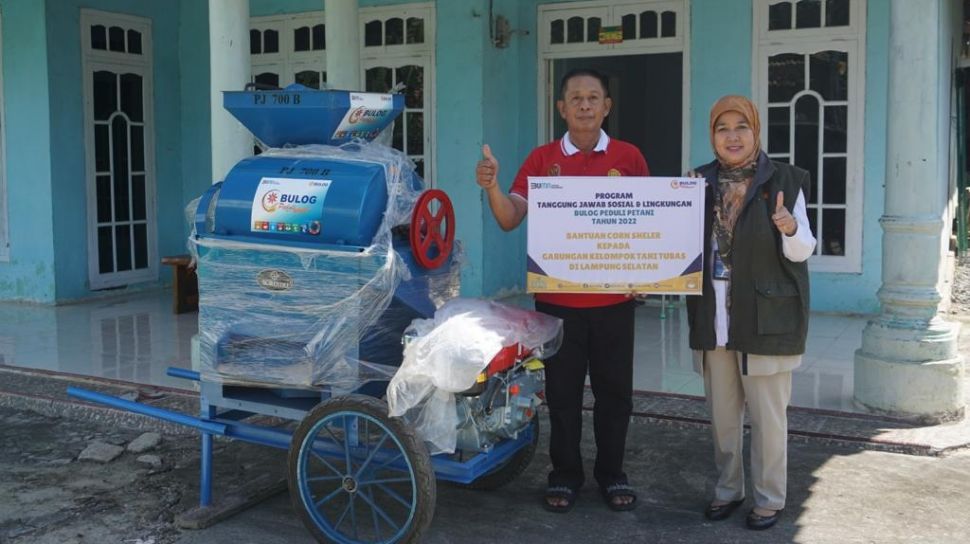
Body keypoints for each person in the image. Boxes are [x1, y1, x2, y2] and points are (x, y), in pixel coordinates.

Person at [474, 68, 649, 513]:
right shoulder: (541, 160)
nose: (585, 105)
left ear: (607, 106)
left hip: (615, 301)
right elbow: (510, 217)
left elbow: (650, 223)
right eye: (576, 98)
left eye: (594, 98)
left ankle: (612, 474)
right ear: (562, 108)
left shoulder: (629, 158)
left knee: (615, 395)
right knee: (563, 394)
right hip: (557, 302)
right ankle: (565, 474)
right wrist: (494, 187)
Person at [686, 95, 816, 530]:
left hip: (767, 317)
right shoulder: (696, 183)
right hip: (714, 318)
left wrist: (790, 227)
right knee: (723, 418)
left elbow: (804, 250)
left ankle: (769, 498)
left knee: (768, 418)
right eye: (723, 128)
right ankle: (728, 490)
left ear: (756, 130)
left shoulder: (784, 180)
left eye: (741, 126)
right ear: (712, 136)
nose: (733, 136)